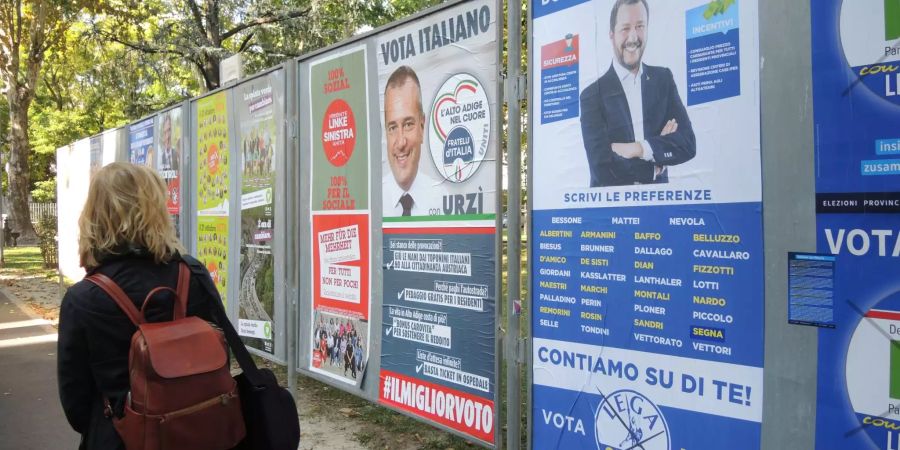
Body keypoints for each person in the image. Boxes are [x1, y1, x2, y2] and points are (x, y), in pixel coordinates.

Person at [57, 162, 227, 449]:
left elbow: (76, 405)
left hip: (119, 437)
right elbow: (222, 355)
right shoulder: (192, 274)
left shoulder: (82, 299)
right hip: (198, 432)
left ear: (94, 216)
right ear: (157, 211)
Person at [579, 0, 695, 187]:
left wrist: (638, 148)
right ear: (611, 35)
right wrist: (654, 166)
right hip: (612, 207)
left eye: (640, 26)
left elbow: (688, 144)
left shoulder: (663, 79)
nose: (633, 37)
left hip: (658, 205)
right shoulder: (592, 95)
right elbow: (601, 165)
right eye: (625, 28)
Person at [383, 65, 440, 217]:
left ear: (422, 127)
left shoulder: (442, 200)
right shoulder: (372, 201)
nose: (401, 143)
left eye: (408, 124)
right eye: (392, 127)